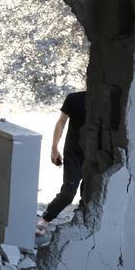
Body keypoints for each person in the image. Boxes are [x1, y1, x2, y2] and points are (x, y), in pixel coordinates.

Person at [38, 90, 86, 236]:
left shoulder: (105, 99)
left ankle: (83, 225)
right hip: (73, 153)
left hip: (95, 155)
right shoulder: (74, 98)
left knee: (89, 194)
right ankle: (46, 218)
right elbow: (61, 122)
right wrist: (54, 148)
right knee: (68, 193)